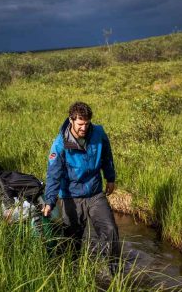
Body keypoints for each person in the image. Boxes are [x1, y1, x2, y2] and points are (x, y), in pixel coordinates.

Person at [42, 101, 119, 274]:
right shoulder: (59, 144)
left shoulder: (98, 133)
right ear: (71, 120)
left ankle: (115, 273)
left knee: (111, 230)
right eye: (80, 124)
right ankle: (73, 273)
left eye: (87, 123)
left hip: (95, 193)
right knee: (72, 240)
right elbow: (53, 174)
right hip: (71, 196)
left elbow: (107, 155)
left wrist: (110, 178)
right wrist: (49, 201)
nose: (84, 127)